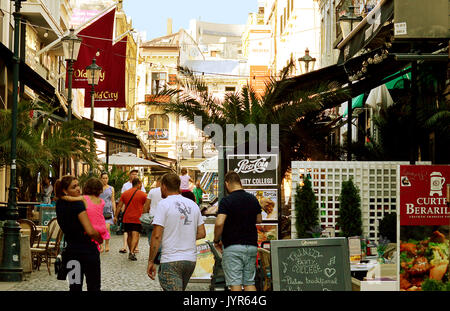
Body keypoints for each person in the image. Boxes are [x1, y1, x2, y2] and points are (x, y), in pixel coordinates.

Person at [147, 173, 206, 291]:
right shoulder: (193, 205)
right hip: (190, 260)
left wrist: (151, 261)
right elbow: (202, 233)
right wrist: (185, 236)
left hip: (171, 260)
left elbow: (157, 236)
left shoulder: (163, 204)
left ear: (163, 186)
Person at [213, 171, 262, 291]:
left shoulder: (226, 201)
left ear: (227, 183)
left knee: (235, 284)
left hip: (233, 247)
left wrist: (216, 240)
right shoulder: (253, 199)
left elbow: (219, 223)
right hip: (251, 246)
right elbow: (259, 220)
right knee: (249, 282)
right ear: (240, 183)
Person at [55, 175, 103, 291]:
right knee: (93, 286)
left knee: (75, 286)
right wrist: (100, 239)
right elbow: (90, 231)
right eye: (74, 187)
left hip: (72, 252)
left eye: (78, 185)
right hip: (88, 252)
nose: (78, 189)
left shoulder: (59, 204)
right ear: (65, 191)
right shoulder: (78, 204)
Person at [61, 178, 111, 252]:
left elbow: (70, 199)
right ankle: (99, 248)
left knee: (92, 245)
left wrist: (62, 197)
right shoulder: (102, 201)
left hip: (91, 227)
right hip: (101, 227)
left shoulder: (84, 198)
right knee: (95, 246)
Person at [115, 177, 147, 261]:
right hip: (137, 218)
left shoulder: (125, 193)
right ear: (139, 184)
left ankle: (131, 251)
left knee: (129, 235)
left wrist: (115, 216)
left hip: (127, 217)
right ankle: (132, 252)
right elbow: (147, 206)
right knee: (135, 235)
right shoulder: (143, 194)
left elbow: (119, 206)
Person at [100, 172, 115, 252]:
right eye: (103, 178)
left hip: (108, 210)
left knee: (107, 227)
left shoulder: (111, 188)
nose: (105, 180)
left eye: (106, 178)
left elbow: (112, 200)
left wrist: (114, 211)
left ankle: (107, 244)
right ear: (101, 179)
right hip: (99, 210)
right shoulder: (98, 188)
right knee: (100, 228)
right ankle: (101, 245)